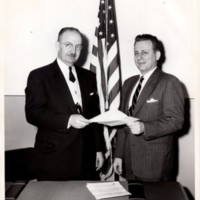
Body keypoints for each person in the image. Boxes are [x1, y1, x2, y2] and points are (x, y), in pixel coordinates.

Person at [25, 27, 105, 181]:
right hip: (54, 159)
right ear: (58, 46)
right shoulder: (39, 76)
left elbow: (95, 116)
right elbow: (33, 113)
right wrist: (68, 120)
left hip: (86, 161)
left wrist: (99, 149)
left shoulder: (89, 77)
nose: (73, 50)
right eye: (68, 44)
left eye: (78, 46)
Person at [113, 34, 185, 182]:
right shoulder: (128, 83)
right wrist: (119, 155)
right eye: (136, 53)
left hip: (155, 165)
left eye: (145, 52)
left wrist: (144, 127)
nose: (139, 57)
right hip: (129, 161)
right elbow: (122, 122)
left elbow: (176, 121)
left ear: (157, 55)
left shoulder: (169, 82)